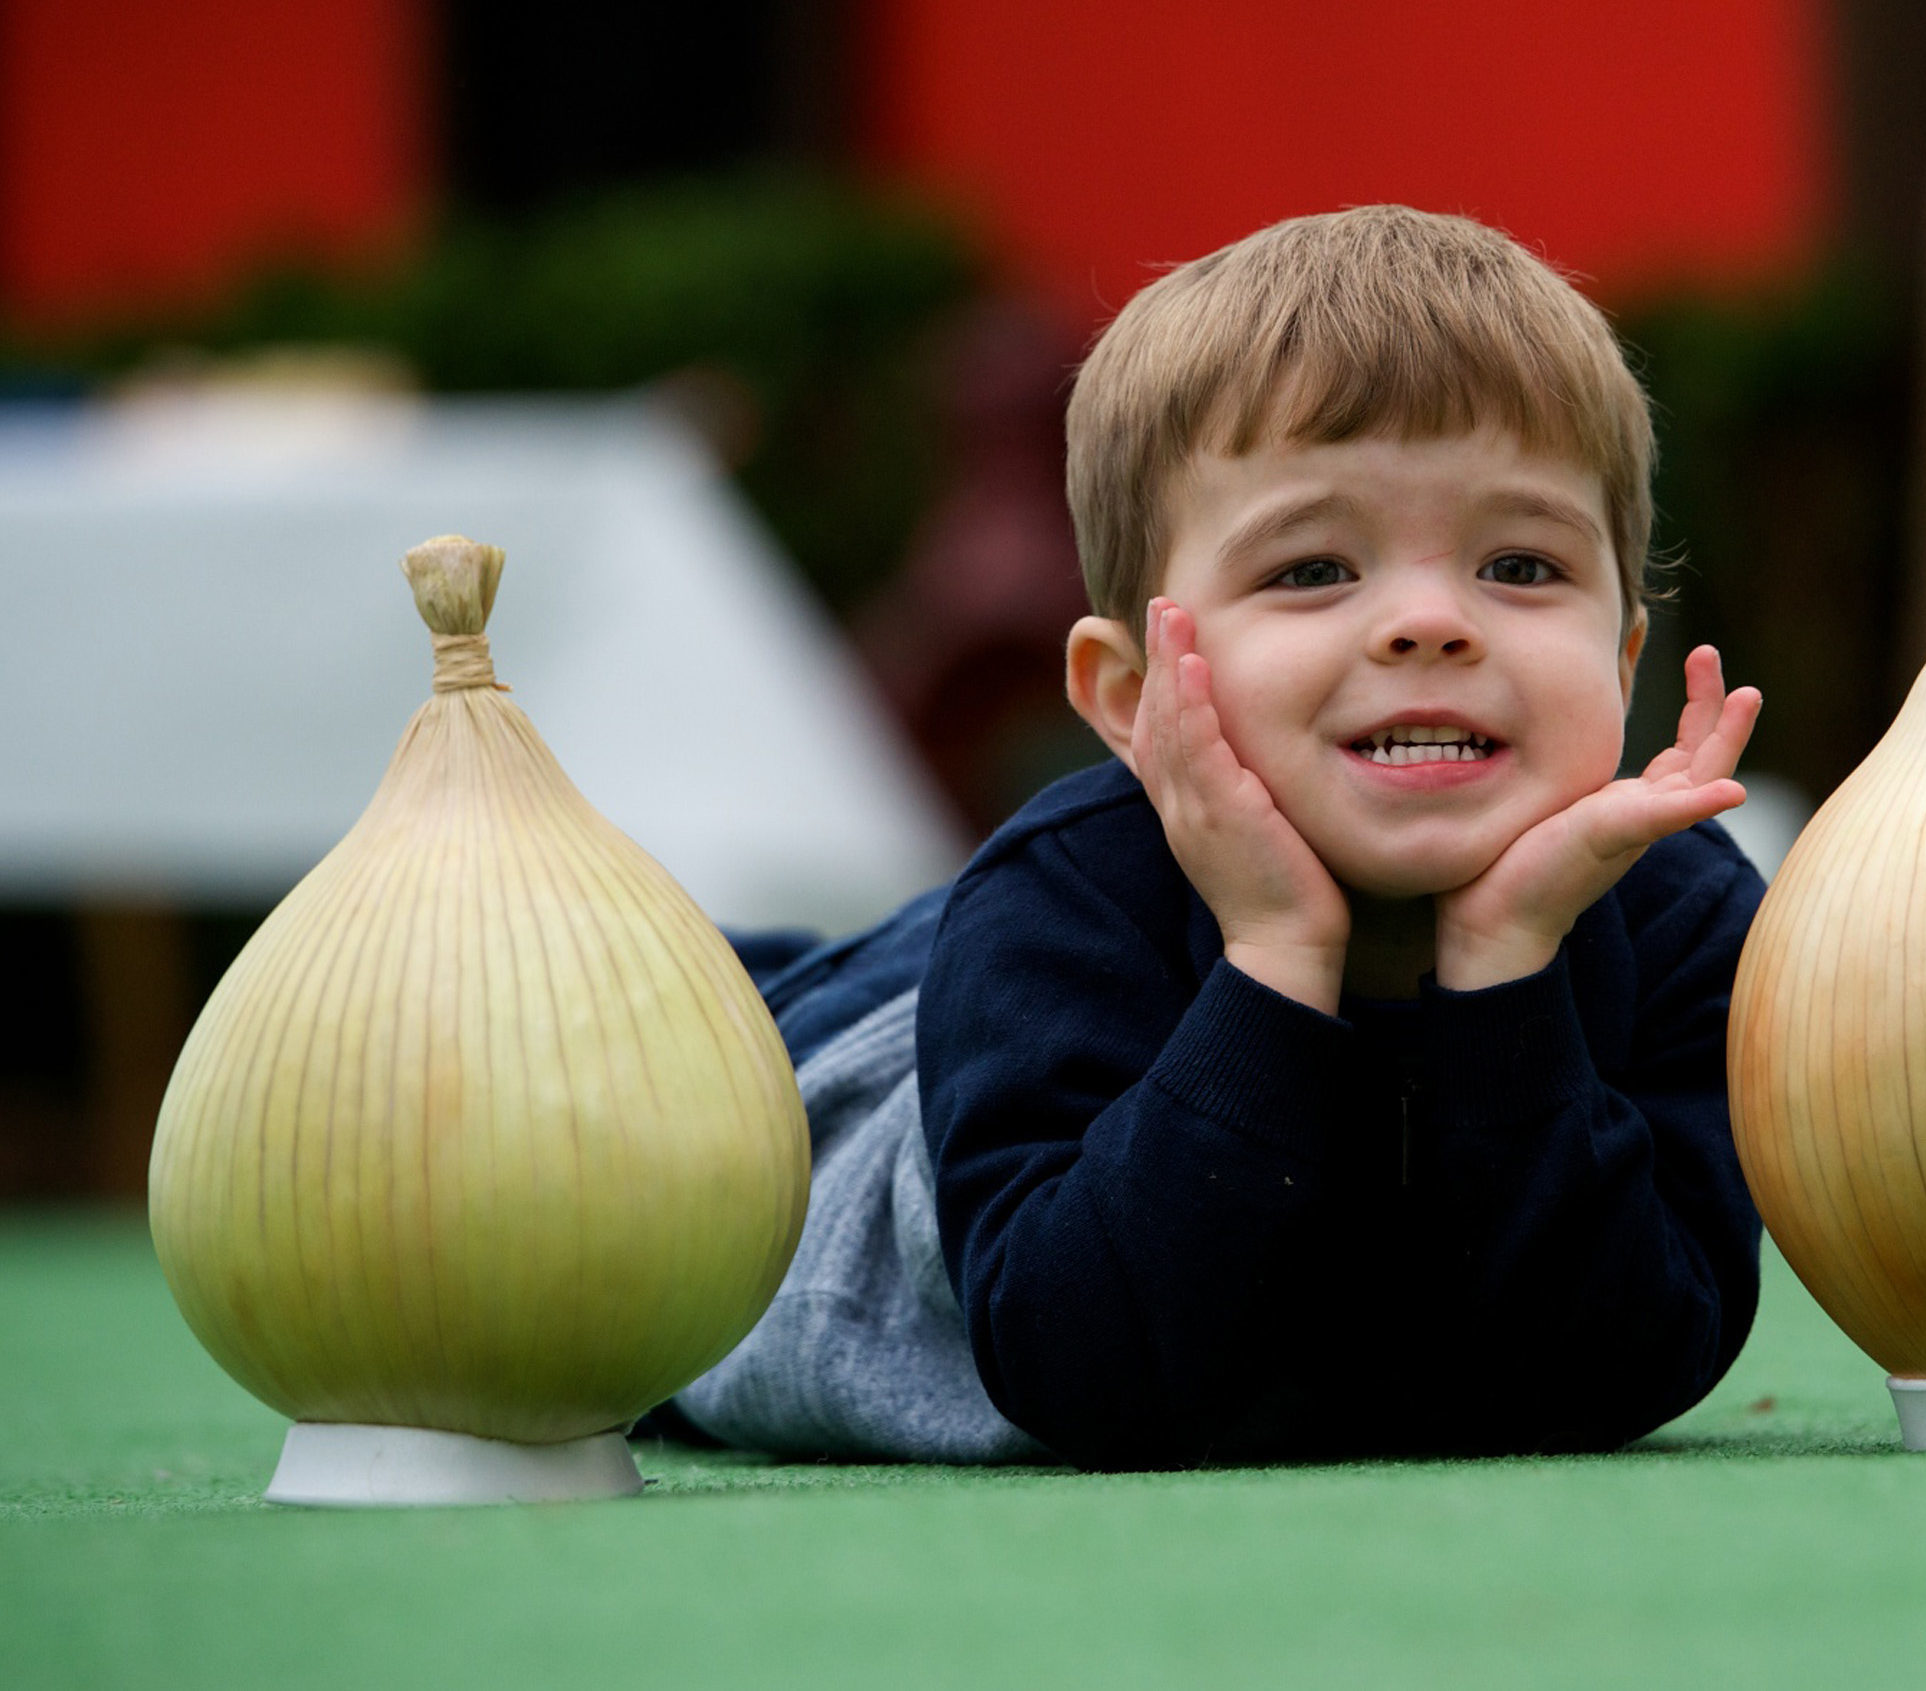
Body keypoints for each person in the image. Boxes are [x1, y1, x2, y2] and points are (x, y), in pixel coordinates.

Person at [662, 205, 1769, 1470]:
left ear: (1622, 655)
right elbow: (1094, 1378)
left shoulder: (1680, 915)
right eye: (1311, 570)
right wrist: (1276, 953)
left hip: (1014, 981)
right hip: (840, 1105)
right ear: (1129, 696)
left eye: (1520, 567)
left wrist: (1508, 966)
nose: (1428, 621)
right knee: (628, 1044)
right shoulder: (1067, 900)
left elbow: (1612, 1371)